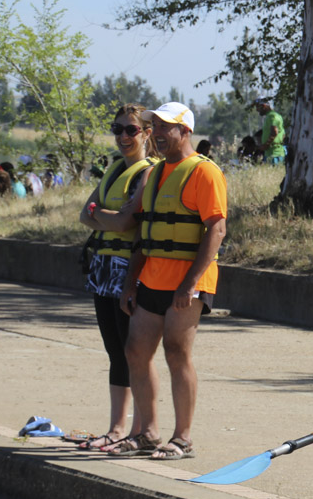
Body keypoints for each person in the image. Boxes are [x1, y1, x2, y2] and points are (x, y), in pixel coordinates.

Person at [91, 101, 227, 461]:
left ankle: (182, 439)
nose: (160, 133)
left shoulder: (204, 172)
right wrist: (130, 282)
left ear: (185, 131)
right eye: (156, 126)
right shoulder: (153, 174)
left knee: (176, 353)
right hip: (151, 276)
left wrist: (191, 283)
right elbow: (142, 234)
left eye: (167, 127)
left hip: (188, 281)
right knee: (135, 350)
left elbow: (217, 229)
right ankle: (147, 433)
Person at [77, 103, 159, 452]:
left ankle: (140, 430)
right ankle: (115, 428)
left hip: (130, 269)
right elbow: (85, 214)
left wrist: (103, 215)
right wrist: (107, 215)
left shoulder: (149, 172)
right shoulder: (113, 170)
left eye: (131, 130)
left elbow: (129, 223)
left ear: (146, 133)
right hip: (103, 268)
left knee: (134, 350)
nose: (123, 136)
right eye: (117, 129)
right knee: (114, 350)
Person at [253, 97, 285, 165]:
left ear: (264, 106)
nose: (257, 110)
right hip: (271, 153)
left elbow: (274, 132)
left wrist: (265, 145)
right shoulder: (273, 116)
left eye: (258, 107)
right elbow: (283, 134)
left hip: (274, 154)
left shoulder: (272, 116)